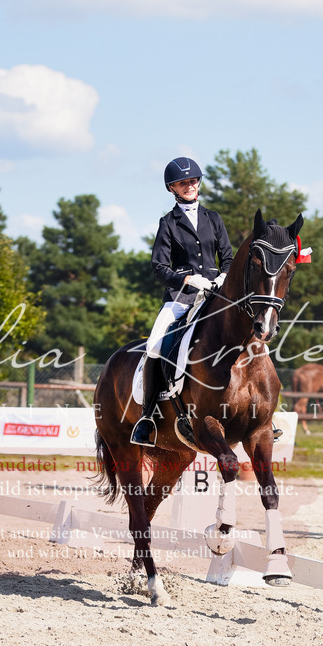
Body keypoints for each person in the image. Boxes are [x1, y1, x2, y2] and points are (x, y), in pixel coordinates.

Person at [130, 157, 233, 447]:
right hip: (182, 296)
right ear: (172, 188)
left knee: (248, 332)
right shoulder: (168, 223)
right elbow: (159, 267)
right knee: (154, 345)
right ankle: (148, 416)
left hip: (215, 294)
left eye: (193, 180)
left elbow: (227, 256)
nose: (189, 185)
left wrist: (223, 276)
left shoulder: (213, 218)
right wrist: (187, 279)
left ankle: (263, 414)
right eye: (182, 182)